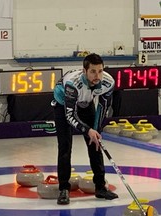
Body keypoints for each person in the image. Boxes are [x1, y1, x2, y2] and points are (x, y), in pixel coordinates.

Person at [52, 53, 118, 205]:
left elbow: (102, 107)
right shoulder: (72, 84)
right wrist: (88, 130)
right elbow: (70, 116)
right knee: (65, 146)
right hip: (63, 104)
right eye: (93, 71)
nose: (97, 75)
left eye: (100, 71)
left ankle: (100, 187)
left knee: (95, 144)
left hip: (86, 104)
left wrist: (95, 130)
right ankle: (63, 189)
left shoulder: (108, 82)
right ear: (85, 71)